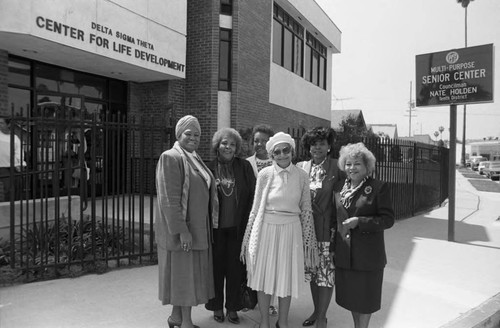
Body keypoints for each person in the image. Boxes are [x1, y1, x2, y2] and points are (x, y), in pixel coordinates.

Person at [241, 132, 318, 328]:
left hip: (291, 231)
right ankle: (265, 322)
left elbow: (306, 208)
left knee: (287, 277)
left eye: (286, 150)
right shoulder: (265, 174)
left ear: (292, 151)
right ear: (272, 154)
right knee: (264, 277)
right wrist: (248, 237)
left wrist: (308, 239)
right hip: (267, 229)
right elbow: (256, 207)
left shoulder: (302, 175)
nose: (282, 155)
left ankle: (282, 323)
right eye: (277, 152)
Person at [155, 115, 219, 328]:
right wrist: (182, 231)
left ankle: (176, 318)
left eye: (197, 134)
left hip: (197, 228)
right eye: (188, 134)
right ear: (178, 135)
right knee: (185, 277)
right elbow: (169, 199)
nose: (193, 138)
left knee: (187, 275)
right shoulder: (171, 157)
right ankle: (187, 324)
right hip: (183, 230)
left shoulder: (193, 157)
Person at [333, 142, 395, 328]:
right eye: (349, 163)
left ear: (367, 166)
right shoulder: (338, 187)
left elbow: (387, 220)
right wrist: (332, 249)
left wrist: (360, 222)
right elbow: (333, 220)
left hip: (367, 256)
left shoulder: (378, 187)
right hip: (345, 254)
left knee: (365, 299)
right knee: (353, 299)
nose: (352, 168)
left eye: (357, 163)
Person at [205, 128, 256, 324]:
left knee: (236, 270)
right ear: (217, 145)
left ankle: (233, 308)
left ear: (237, 148)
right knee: (216, 269)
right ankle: (216, 306)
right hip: (215, 230)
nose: (228, 147)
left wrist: (250, 227)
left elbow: (252, 195)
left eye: (233, 144)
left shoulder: (243, 167)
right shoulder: (208, 167)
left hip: (238, 229)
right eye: (225, 143)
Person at [296, 127, 344, 328]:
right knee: (313, 275)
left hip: (327, 230)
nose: (317, 147)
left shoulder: (337, 167)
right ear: (308, 146)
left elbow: (341, 203)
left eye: (322, 143)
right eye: (314, 143)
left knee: (326, 275)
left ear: (329, 146)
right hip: (306, 231)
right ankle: (316, 311)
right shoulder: (301, 167)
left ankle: (322, 317)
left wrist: (338, 233)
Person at [245, 124, 278, 316]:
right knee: (253, 263)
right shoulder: (246, 163)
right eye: (256, 140)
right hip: (251, 221)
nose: (259, 144)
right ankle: (251, 298)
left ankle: (270, 302)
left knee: (271, 263)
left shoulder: (278, 163)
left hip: (273, 222)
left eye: (264, 141)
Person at [0, 117, 24, 202]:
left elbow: (19, 152)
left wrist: (19, 164)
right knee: (9, 188)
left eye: (2, 123)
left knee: (18, 187)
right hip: (2, 166)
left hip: (13, 165)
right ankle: (9, 208)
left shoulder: (15, 138)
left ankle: (16, 206)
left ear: (8, 124)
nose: (0, 125)